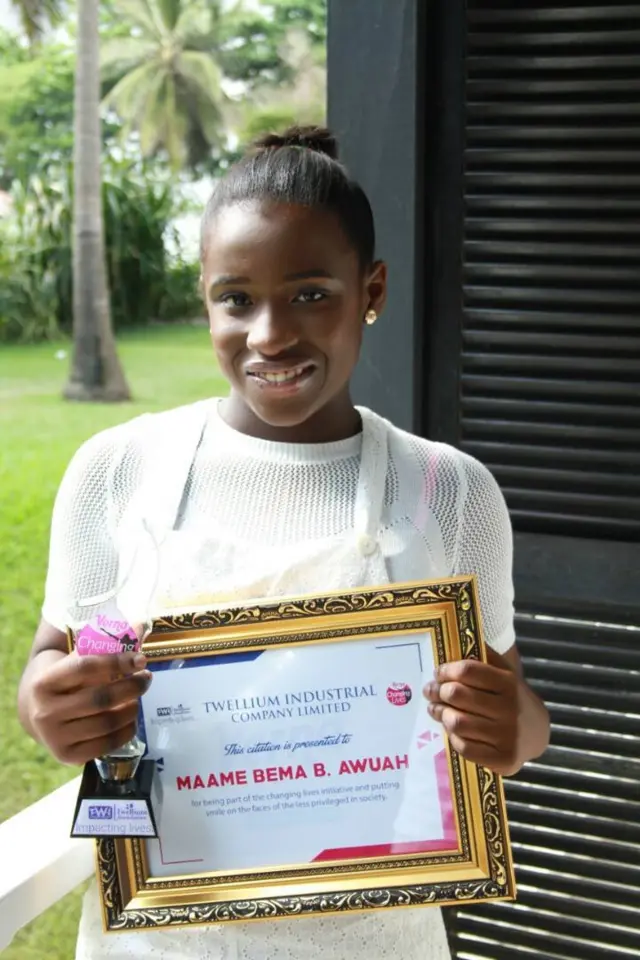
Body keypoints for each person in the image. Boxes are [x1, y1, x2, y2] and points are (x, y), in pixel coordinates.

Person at [17, 126, 550, 960]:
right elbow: (60, 662)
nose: (269, 334)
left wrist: (511, 732)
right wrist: (53, 707)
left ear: (369, 289)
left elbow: (514, 717)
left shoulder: (446, 490)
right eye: (236, 298)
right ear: (205, 298)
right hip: (163, 942)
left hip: (377, 939)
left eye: (309, 294)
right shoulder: (121, 471)